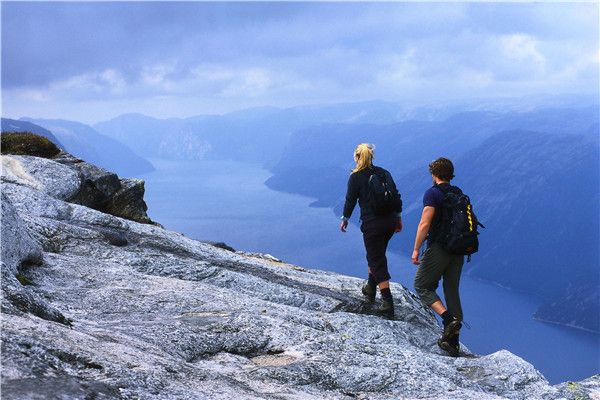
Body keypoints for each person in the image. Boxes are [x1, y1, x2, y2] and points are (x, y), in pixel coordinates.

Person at [340, 143, 402, 318]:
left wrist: (345, 218)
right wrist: (398, 218)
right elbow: (396, 196)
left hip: (373, 223)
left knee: (376, 258)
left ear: (357, 157)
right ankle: (370, 288)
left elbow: (350, 200)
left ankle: (387, 301)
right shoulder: (384, 172)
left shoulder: (356, 177)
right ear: (372, 156)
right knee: (376, 253)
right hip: (389, 221)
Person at [412, 157, 464, 357]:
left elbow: (425, 223)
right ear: (450, 174)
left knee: (422, 285)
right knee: (452, 290)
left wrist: (416, 249)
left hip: (439, 248)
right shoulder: (458, 193)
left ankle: (448, 319)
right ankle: (453, 343)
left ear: (434, 174)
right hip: (458, 250)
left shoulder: (433, 193)